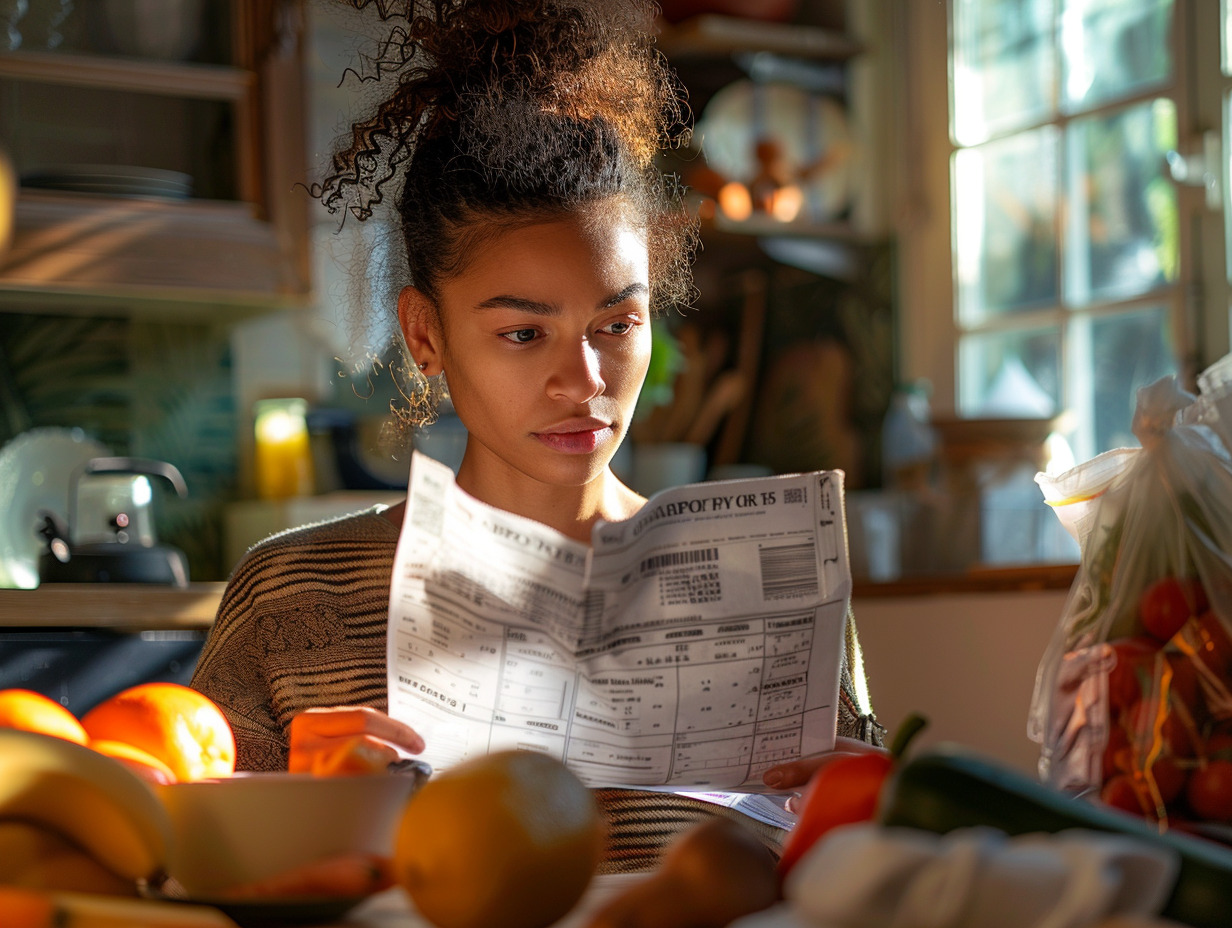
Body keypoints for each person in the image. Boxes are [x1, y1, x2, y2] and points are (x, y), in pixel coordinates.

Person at [190, 0, 884, 871]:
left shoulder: (772, 586)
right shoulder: (291, 597)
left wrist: (867, 820)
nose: (585, 381)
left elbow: (846, 882)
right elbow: (186, 877)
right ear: (426, 336)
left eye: (616, 324)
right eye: (523, 333)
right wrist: (279, 809)